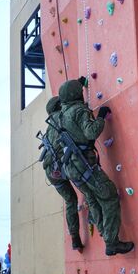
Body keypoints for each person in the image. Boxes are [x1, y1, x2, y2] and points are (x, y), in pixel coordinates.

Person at [58, 78, 134, 256]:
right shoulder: (79, 111)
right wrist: (100, 117)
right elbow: (91, 132)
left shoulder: (61, 115)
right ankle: (111, 241)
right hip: (84, 165)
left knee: (93, 199)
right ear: (77, 93)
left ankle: (105, 234)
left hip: (72, 168)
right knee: (109, 196)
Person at [41, 96, 85, 252]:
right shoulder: (62, 117)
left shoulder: (48, 127)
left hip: (52, 173)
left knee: (71, 201)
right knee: (88, 188)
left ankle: (75, 238)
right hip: (65, 165)